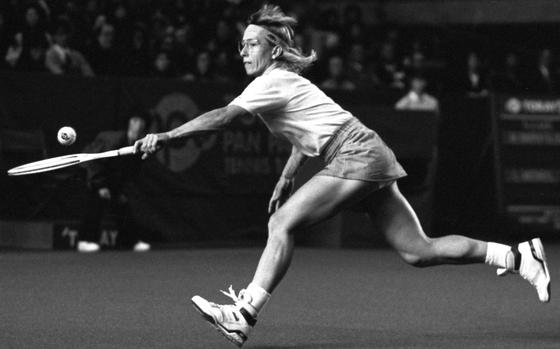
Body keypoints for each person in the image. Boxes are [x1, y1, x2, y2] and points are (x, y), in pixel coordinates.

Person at [134, 5, 551, 347]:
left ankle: (244, 315)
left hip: (355, 154)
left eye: (251, 44)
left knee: (281, 223)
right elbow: (306, 137)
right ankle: (517, 256)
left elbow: (223, 117)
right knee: (418, 252)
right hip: (363, 149)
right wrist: (286, 177)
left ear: (275, 49)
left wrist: (167, 135)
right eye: (240, 44)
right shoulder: (280, 82)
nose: (243, 51)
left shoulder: (271, 81)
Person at [79, 114, 152, 253]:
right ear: (130, 123)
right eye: (135, 120)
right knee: (96, 203)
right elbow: (93, 161)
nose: (138, 124)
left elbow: (129, 172)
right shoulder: (113, 140)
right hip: (90, 172)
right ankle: (85, 240)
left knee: (123, 206)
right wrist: (100, 186)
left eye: (141, 122)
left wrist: (120, 191)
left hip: (112, 180)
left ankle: (129, 241)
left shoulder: (138, 146)